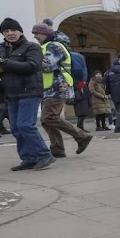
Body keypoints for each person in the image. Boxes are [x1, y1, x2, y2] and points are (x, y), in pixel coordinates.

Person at [0, 18, 54, 171]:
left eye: (13, 30)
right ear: (3, 34)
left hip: (30, 91)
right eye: (6, 31)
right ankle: (29, 158)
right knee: (16, 128)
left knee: (25, 125)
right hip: (11, 93)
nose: (10, 33)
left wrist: (3, 64)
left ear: (20, 31)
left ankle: (44, 155)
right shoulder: (2, 50)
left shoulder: (31, 47)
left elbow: (32, 66)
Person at [31, 22, 92, 158]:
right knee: (47, 120)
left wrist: (30, 60)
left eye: (37, 33)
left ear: (45, 33)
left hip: (58, 87)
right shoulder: (45, 46)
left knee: (49, 117)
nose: (35, 36)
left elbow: (48, 66)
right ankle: (57, 149)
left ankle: (81, 136)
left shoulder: (55, 46)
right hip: (49, 88)